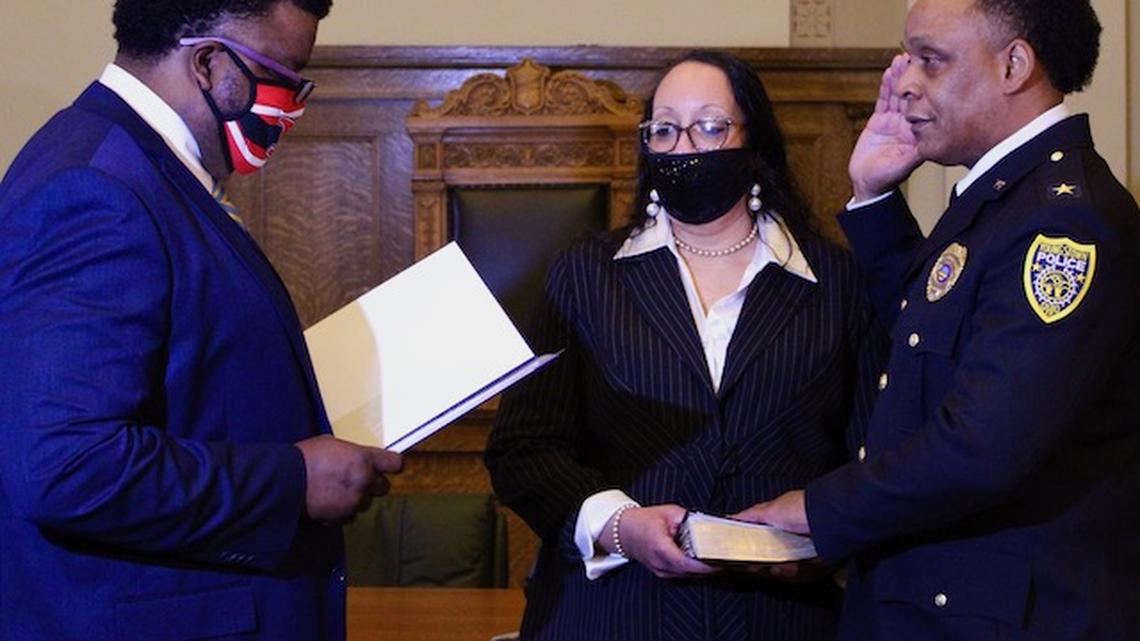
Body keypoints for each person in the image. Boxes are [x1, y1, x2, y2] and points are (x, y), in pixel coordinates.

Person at [0, 2, 404, 640]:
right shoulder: (96, 186)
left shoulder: (129, 162)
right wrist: (291, 482)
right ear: (212, 64)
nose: (294, 103)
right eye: (287, 74)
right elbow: (66, 466)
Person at [740, 1, 1140, 639]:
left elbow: (982, 446)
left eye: (930, 60)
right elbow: (929, 331)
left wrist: (818, 511)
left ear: (1014, 64)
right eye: (905, 59)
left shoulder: (1064, 224)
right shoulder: (1008, 195)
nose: (902, 82)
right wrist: (873, 197)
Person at [485, 49, 880, 641]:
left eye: (710, 126)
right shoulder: (585, 275)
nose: (685, 146)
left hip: (783, 614)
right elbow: (523, 449)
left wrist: (827, 531)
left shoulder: (840, 283)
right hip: (613, 611)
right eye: (665, 129)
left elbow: (876, 458)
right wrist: (619, 525)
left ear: (756, 140)